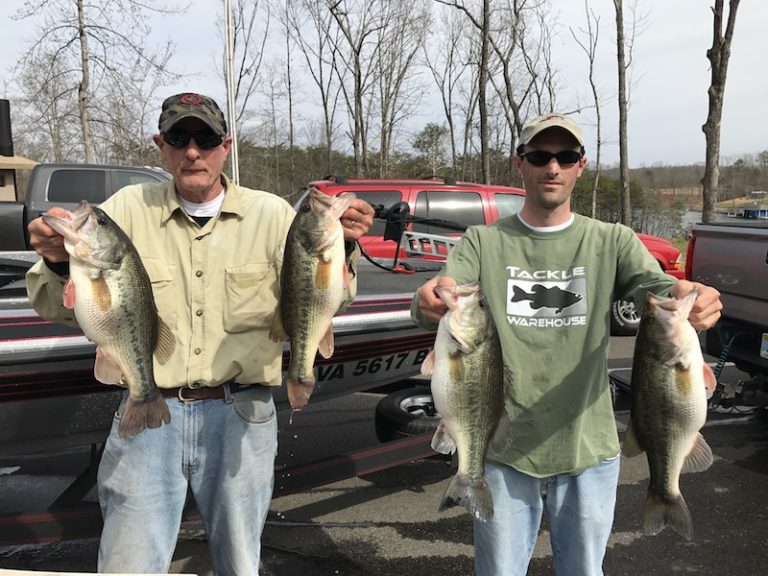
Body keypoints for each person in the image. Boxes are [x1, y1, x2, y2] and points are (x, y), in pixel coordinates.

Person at [25, 92, 374, 575]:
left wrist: (346, 248)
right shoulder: (123, 209)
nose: (193, 151)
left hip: (242, 413)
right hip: (147, 412)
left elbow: (322, 296)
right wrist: (56, 260)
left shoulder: (273, 215)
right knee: (129, 563)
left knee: (238, 560)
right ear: (160, 145)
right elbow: (55, 308)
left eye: (206, 138)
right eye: (179, 138)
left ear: (225, 145)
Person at [411, 113, 722, 576]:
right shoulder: (483, 240)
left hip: (588, 451)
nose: (552, 167)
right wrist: (430, 296)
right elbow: (446, 287)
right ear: (520, 164)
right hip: (501, 448)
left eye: (565, 156)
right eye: (539, 156)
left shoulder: (612, 240)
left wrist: (690, 296)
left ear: (581, 165)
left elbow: (656, 287)